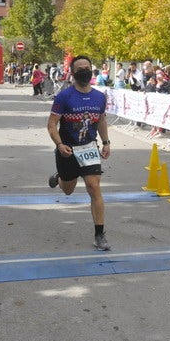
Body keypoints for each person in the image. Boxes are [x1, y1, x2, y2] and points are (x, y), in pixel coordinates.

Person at [47, 55, 113, 251]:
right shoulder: (64, 97)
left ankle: (99, 235)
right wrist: (59, 145)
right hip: (67, 150)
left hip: (89, 148)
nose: (84, 71)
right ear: (73, 73)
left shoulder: (99, 97)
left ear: (91, 70)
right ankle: (61, 177)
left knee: (94, 187)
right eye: (80, 69)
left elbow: (101, 120)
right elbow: (52, 125)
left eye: (87, 68)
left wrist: (106, 142)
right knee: (68, 190)